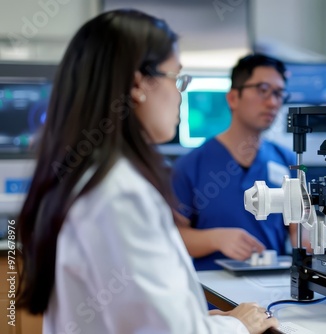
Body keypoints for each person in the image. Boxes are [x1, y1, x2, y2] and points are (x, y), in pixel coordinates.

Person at [16, 9, 278, 334]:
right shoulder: (120, 193)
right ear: (139, 83)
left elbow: (138, 315)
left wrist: (204, 320)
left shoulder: (89, 176)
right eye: (177, 78)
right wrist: (240, 327)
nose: (180, 94)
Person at [172, 54, 298, 271]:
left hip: (273, 290)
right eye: (262, 89)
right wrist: (216, 239)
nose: (272, 102)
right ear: (233, 98)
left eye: (278, 94)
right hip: (214, 296)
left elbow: (298, 229)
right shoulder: (192, 165)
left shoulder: (287, 160)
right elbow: (173, 237)